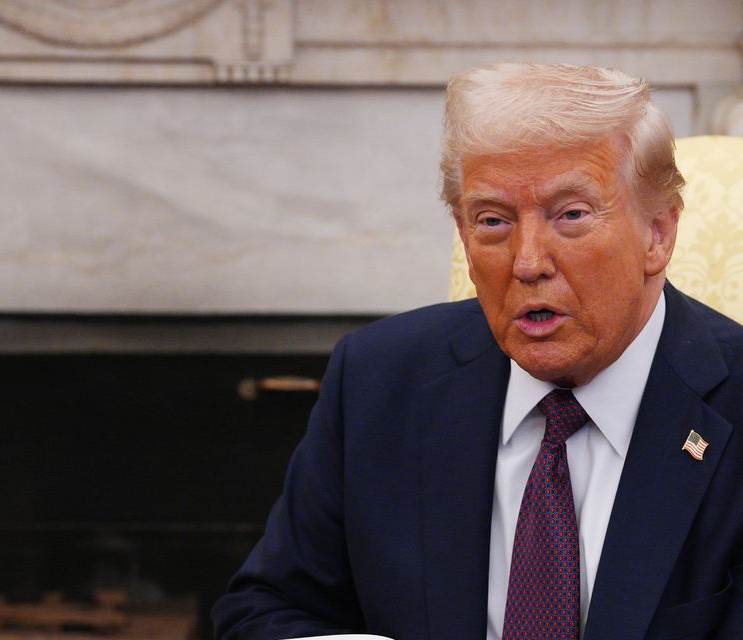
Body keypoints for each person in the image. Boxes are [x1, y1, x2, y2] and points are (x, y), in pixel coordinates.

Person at [212, 62, 743, 640]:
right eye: (493, 221)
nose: (527, 261)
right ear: (464, 237)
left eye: (570, 215)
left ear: (658, 234)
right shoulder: (378, 381)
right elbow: (261, 614)